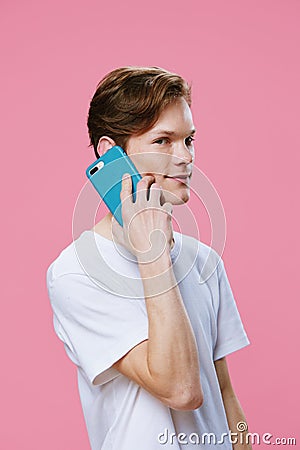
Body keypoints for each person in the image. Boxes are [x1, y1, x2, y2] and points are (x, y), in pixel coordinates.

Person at [46, 66, 252, 450]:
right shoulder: (76, 274)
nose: (185, 157)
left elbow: (223, 393)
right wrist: (153, 254)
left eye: (189, 140)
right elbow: (181, 389)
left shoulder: (205, 262)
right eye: (163, 141)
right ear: (111, 155)